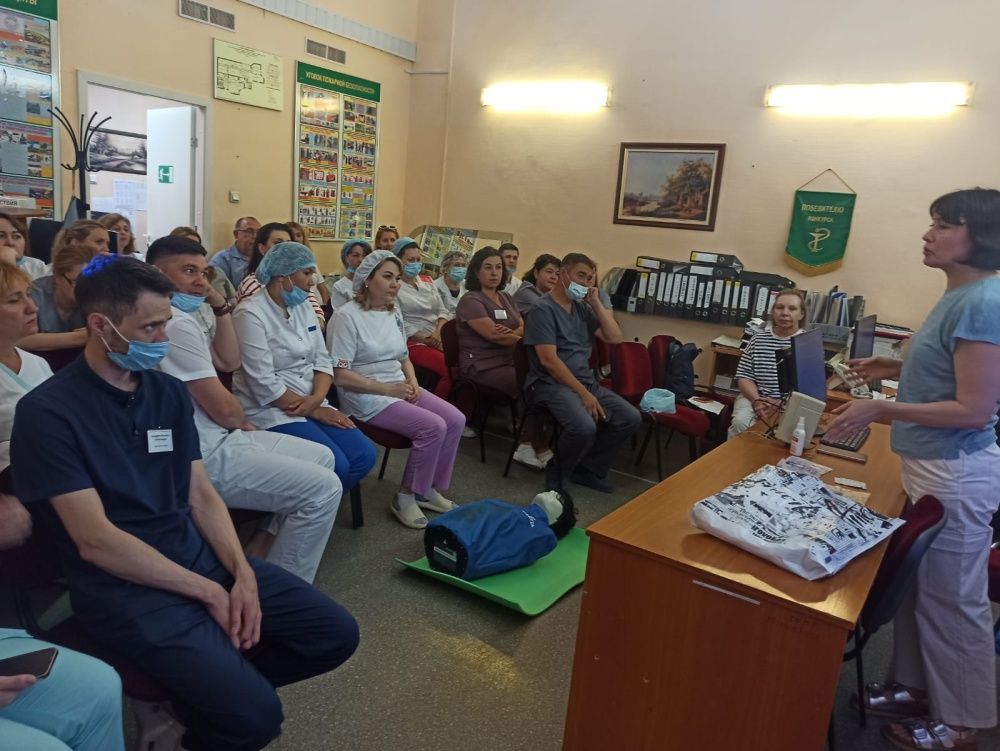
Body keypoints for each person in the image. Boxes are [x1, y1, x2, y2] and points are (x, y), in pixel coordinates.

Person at [10, 255, 359, 751]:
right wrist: (210, 592)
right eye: (150, 328)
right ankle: (216, 713)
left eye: (166, 324)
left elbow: (200, 493)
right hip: (125, 590)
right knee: (258, 717)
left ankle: (198, 702)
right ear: (101, 325)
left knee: (334, 634)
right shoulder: (48, 414)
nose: (164, 339)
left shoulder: (167, 394)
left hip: (198, 558)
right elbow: (95, 542)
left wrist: (240, 572)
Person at [826, 188, 1000, 751]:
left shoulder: (985, 300)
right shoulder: (960, 293)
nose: (929, 234)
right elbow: (950, 367)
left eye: (945, 225)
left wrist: (883, 409)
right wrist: (891, 365)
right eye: (933, 223)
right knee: (919, 590)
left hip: (956, 471)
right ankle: (914, 687)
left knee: (953, 600)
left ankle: (962, 721)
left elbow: (974, 409)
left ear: (982, 236)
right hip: (932, 465)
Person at [149, 236, 342, 583]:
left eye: (204, 272)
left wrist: (220, 305)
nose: (200, 281)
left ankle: (268, 554)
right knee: (325, 488)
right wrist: (241, 421)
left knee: (324, 458)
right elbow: (226, 406)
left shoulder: (189, 314)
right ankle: (284, 586)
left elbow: (228, 361)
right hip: (202, 448)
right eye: (188, 271)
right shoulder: (173, 323)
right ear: (156, 274)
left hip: (220, 430)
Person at [329, 251, 464, 529]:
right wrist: (389, 390)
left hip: (398, 387)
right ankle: (404, 497)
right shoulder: (346, 317)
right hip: (365, 395)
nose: (395, 284)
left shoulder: (393, 312)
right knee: (433, 427)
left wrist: (411, 380)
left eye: (398, 278)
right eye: (388, 276)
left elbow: (404, 356)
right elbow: (340, 375)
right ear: (367, 280)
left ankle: (426, 489)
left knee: (455, 419)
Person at [232, 242, 376, 497]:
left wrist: (318, 400)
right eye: (307, 273)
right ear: (282, 275)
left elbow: (322, 359)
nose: (313, 281)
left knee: (364, 455)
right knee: (336, 463)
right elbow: (263, 382)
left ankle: (313, 504)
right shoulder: (249, 313)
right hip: (271, 407)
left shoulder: (303, 306)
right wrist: (315, 409)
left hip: (310, 398)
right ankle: (300, 510)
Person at [524, 252, 640, 494]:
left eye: (589, 278)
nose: (585, 283)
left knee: (629, 417)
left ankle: (587, 469)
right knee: (584, 427)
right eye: (581, 276)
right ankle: (557, 472)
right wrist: (584, 394)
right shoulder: (542, 309)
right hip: (550, 384)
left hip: (585, 381)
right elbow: (549, 361)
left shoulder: (582, 309)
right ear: (563, 274)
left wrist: (596, 303)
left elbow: (615, 338)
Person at [456, 246, 550, 469]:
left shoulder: (506, 297)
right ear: (476, 271)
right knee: (528, 383)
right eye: (488, 268)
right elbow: (494, 336)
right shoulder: (471, 300)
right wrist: (516, 335)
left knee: (542, 379)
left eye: (498, 267)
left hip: (509, 360)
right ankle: (528, 444)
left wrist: (513, 333)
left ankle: (534, 441)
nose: (494, 272)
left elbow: (523, 326)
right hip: (481, 365)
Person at [727, 289, 807, 438]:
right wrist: (757, 401)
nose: (785, 313)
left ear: (801, 314)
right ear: (773, 311)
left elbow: (810, 389)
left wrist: (782, 403)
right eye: (780, 307)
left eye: (792, 309)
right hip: (755, 397)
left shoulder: (807, 344)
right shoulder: (758, 339)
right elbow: (744, 377)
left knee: (783, 434)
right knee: (740, 423)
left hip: (791, 404)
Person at [393, 236, 452, 399]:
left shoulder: (427, 281)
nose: (415, 263)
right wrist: (429, 339)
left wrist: (437, 334)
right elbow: (399, 322)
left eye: (418, 259)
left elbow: (443, 311)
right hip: (413, 342)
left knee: (464, 364)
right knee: (449, 369)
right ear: (398, 261)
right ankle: (437, 405)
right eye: (410, 260)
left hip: (437, 337)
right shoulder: (394, 286)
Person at [237, 223, 325, 328]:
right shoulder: (252, 283)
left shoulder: (296, 280)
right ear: (262, 248)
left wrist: (314, 323)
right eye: (278, 243)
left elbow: (316, 312)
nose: (285, 248)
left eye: (289, 243)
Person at [18, 243, 94, 352]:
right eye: (78, 282)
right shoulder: (33, 294)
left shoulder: (96, 295)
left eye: (91, 282)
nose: (86, 289)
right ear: (57, 277)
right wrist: (81, 337)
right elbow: (20, 339)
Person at [210, 216, 261, 288]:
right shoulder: (221, 259)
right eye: (249, 231)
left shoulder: (265, 256)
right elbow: (216, 290)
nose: (255, 236)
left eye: (259, 232)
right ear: (236, 234)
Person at [328, 239, 371, 310]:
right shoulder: (339, 287)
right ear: (346, 258)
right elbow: (339, 313)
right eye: (355, 255)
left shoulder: (373, 283)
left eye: (364, 256)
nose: (361, 260)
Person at [0, 212, 45, 280]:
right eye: (1, 236)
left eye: (16, 236)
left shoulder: (37, 266)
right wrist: (9, 266)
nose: (10, 242)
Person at [434, 250, 468, 314]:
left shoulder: (467, 286)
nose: (461, 268)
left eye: (463, 265)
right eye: (457, 265)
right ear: (445, 268)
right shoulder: (435, 286)